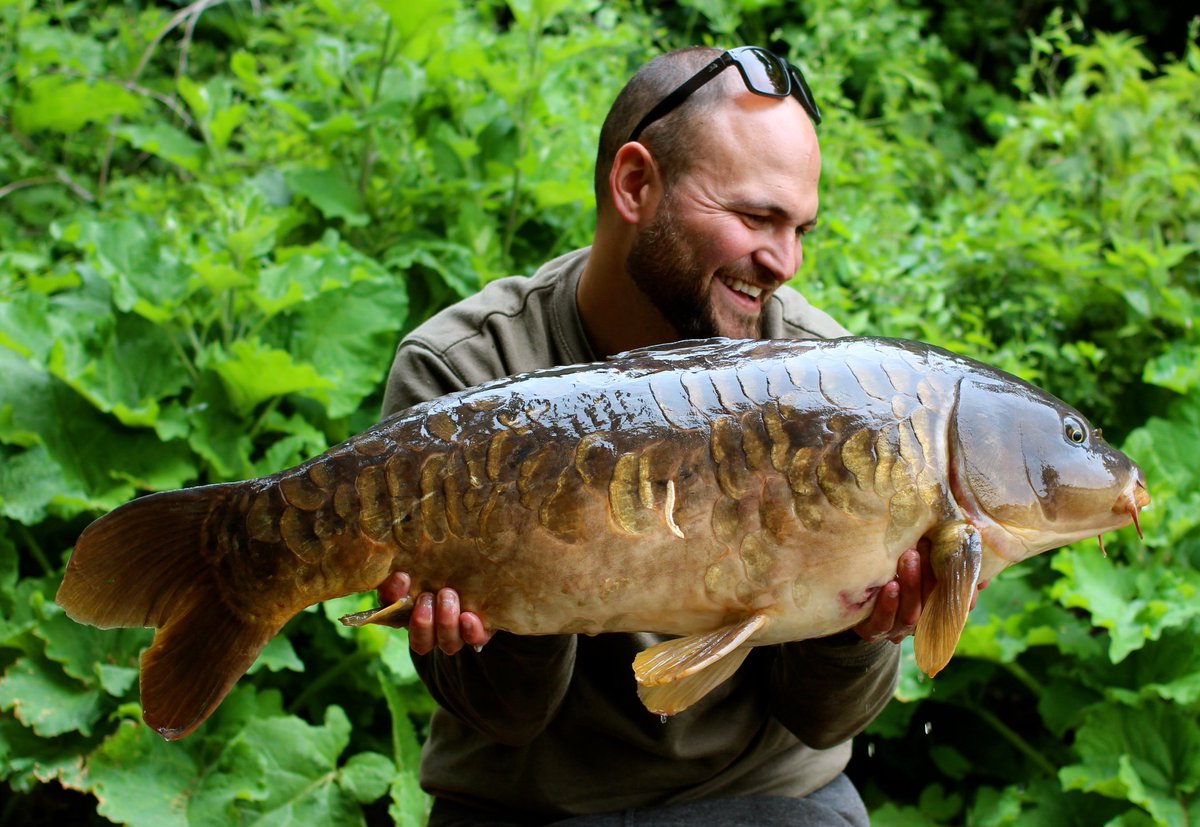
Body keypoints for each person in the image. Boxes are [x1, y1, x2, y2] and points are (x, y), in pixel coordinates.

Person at [376, 46, 952, 826]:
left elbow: (825, 722)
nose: (785, 262)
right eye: (755, 217)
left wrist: (861, 628)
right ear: (635, 185)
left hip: (765, 794)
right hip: (527, 804)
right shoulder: (465, 372)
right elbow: (504, 716)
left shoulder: (839, 393)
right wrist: (514, 601)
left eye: (799, 228)